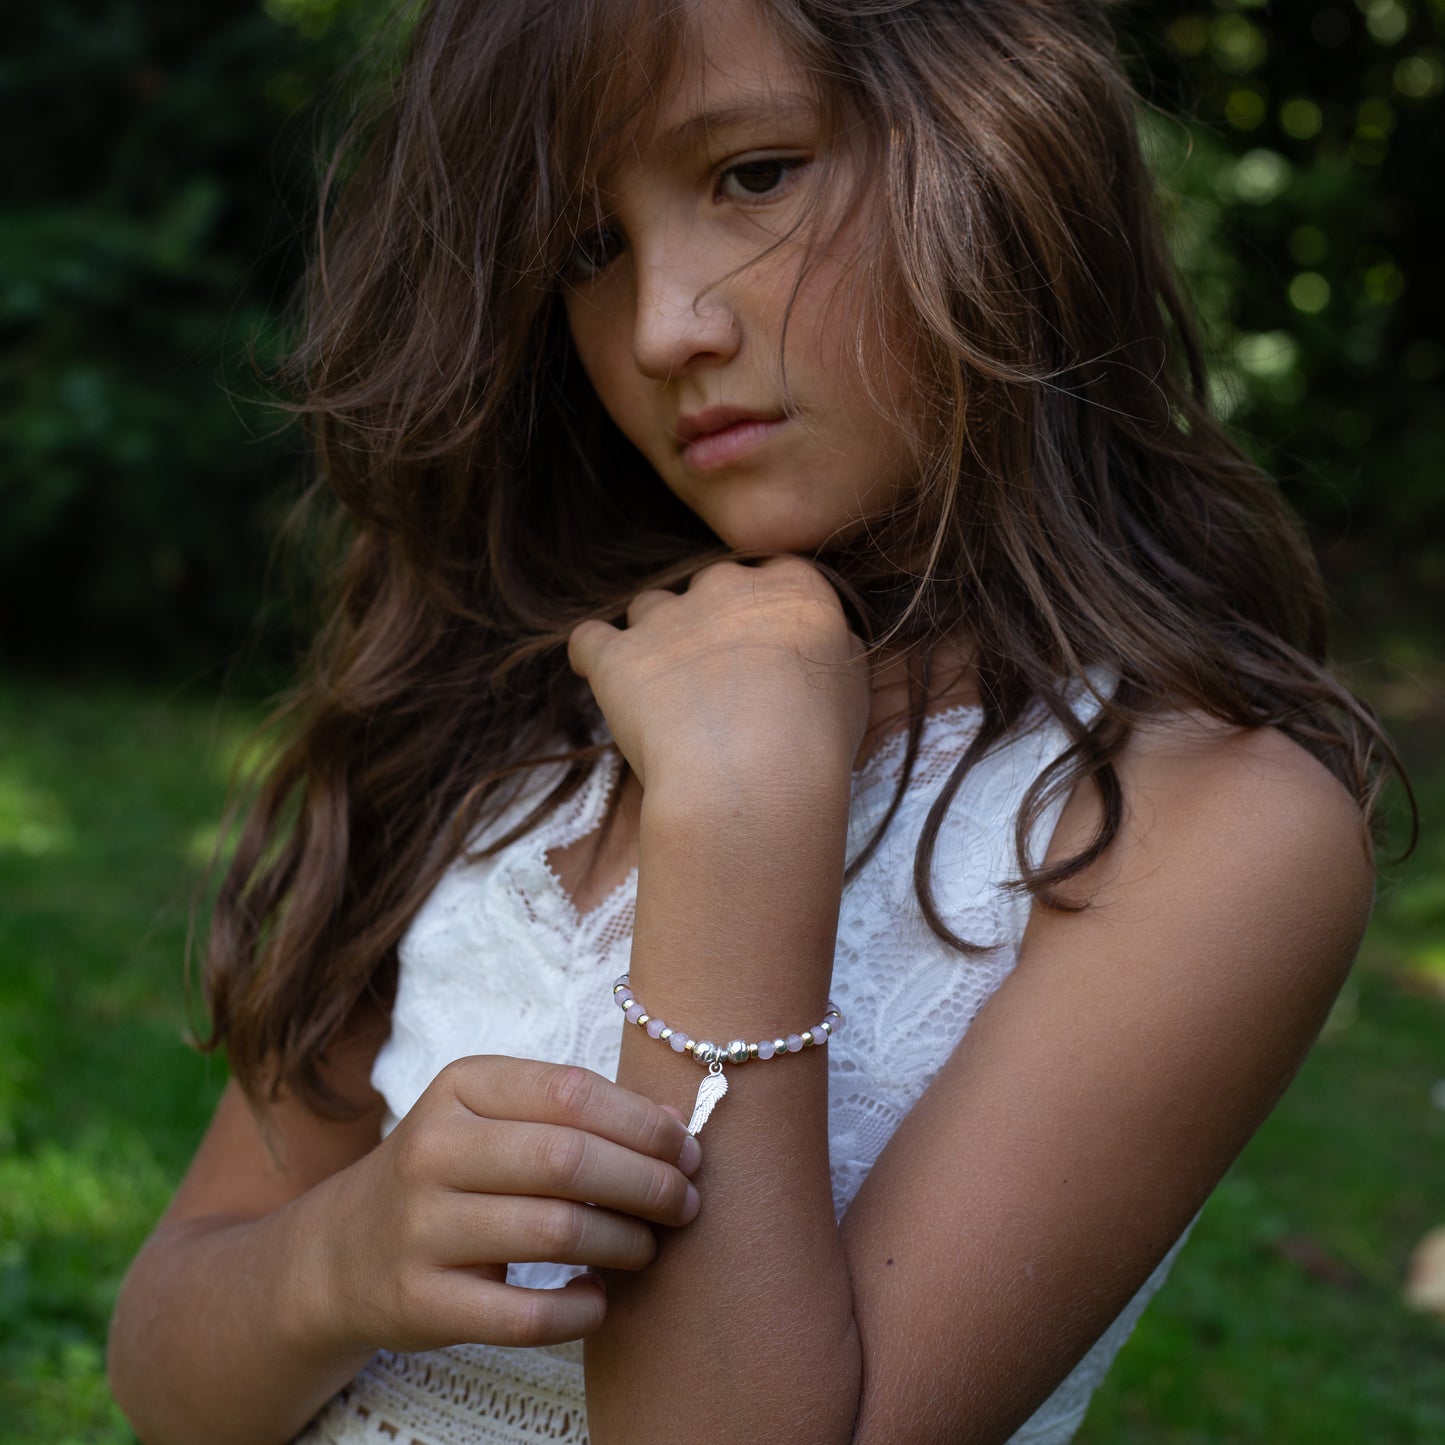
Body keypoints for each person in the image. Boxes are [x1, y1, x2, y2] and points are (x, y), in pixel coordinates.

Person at [106, 1, 1402, 1441]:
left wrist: (742, 816)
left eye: (753, 175)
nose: (665, 326)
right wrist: (333, 1260)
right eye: (588, 251)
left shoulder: (1205, 831)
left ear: (995, 136)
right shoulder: (509, 715)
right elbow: (169, 1357)